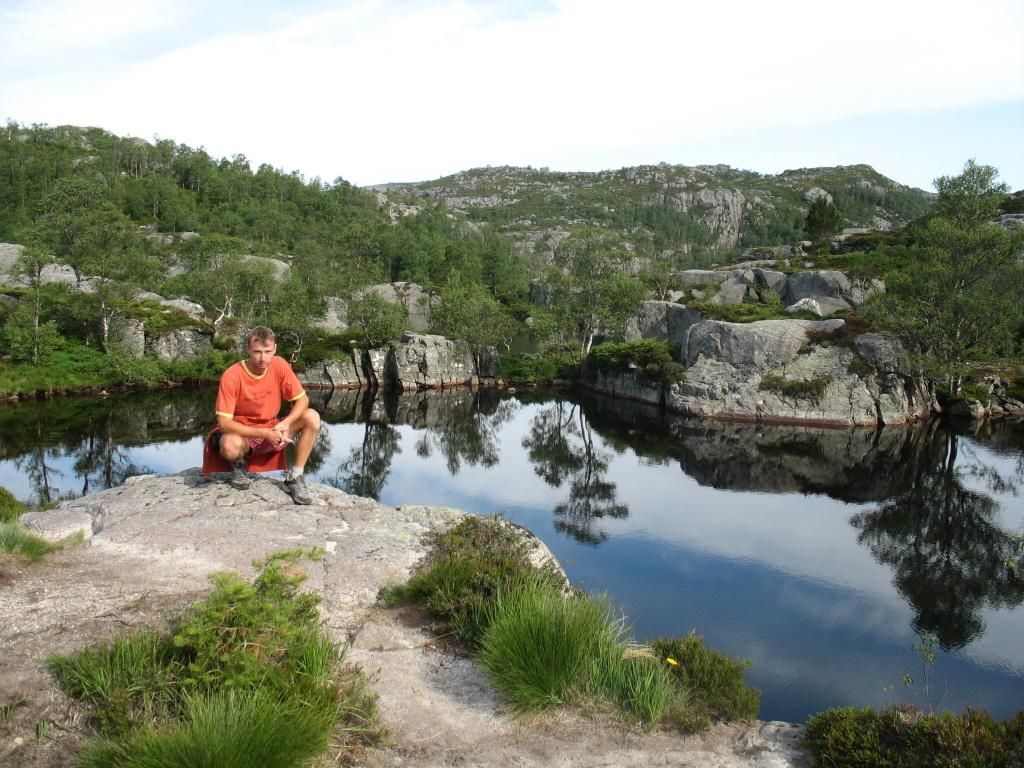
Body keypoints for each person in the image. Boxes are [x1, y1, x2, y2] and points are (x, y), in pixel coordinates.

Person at [201, 326, 321, 504]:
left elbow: (302, 400)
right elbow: (224, 423)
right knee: (229, 445)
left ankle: (295, 476)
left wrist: (286, 423)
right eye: (257, 352)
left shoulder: (279, 365)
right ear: (248, 349)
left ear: (275, 349)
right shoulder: (232, 375)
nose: (263, 358)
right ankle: (238, 465)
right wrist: (265, 434)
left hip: (272, 428)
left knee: (312, 416)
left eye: (267, 352)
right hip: (242, 434)